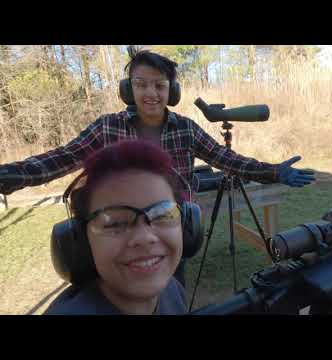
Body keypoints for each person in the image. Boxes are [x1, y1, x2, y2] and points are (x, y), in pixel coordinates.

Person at [0, 46, 315, 285]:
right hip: (118, 232)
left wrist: (273, 171)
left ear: (171, 91)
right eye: (142, 84)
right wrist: (11, 176)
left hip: (170, 229)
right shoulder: (107, 127)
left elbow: (227, 159)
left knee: (170, 290)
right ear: (129, 89)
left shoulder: (187, 129)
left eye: (160, 85)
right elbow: (63, 157)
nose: (151, 93)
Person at [44, 140, 190, 315]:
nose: (144, 238)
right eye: (115, 223)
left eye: (162, 215)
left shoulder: (172, 290)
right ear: (82, 240)